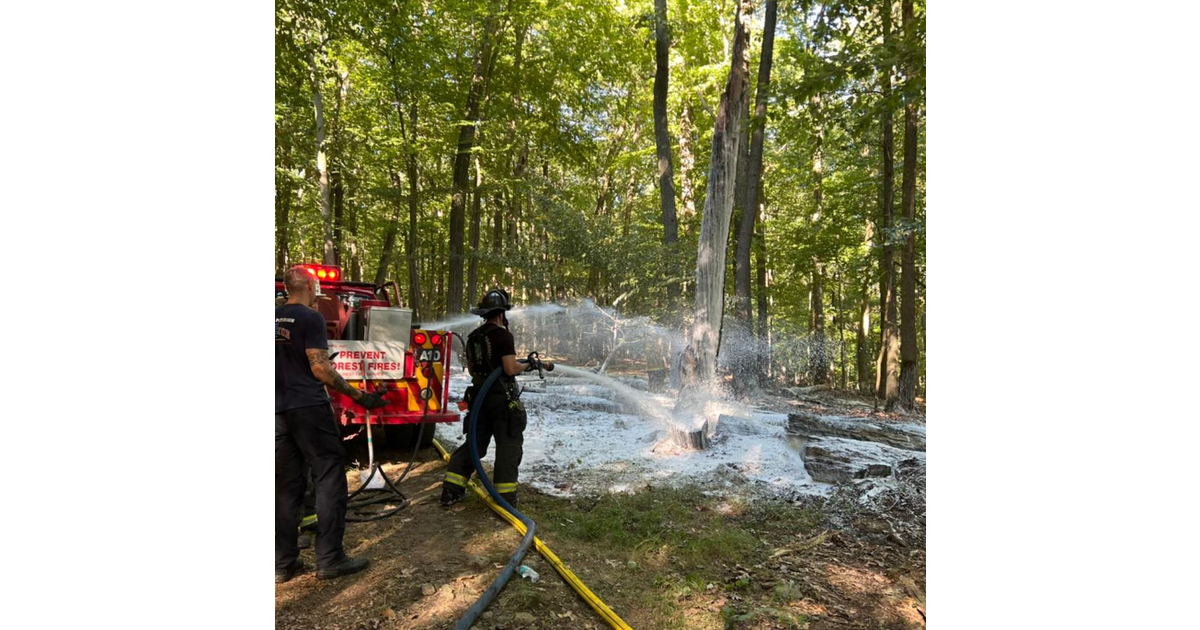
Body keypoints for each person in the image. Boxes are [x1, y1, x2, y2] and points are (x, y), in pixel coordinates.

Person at [276, 266, 388, 583]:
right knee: (328, 477)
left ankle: (282, 564)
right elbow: (321, 369)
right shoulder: (310, 318)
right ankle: (330, 559)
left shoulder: (271, 317)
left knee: (287, 484)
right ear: (310, 286)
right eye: (317, 286)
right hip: (309, 408)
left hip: (277, 411)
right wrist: (360, 396)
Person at [440, 289, 550, 508]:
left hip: (479, 398)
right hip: (502, 400)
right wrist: (529, 364)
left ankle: (451, 490)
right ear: (501, 313)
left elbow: (472, 370)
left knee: (475, 444)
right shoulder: (503, 335)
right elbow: (510, 368)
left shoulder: (474, 337)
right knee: (508, 446)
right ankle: (505, 497)